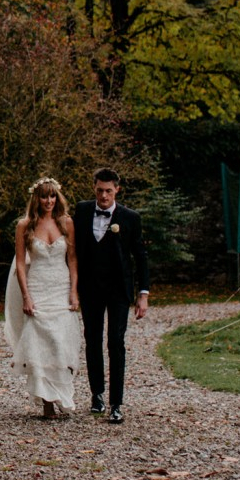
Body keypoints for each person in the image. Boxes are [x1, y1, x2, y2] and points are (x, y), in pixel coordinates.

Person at [72, 167, 150, 425]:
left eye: (108, 191)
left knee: (116, 342)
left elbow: (140, 256)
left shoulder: (130, 217)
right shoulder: (82, 211)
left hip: (119, 289)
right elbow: (72, 249)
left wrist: (143, 294)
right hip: (90, 288)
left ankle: (117, 403)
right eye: (99, 190)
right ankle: (97, 395)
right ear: (93, 189)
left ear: (117, 189)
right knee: (92, 340)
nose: (103, 196)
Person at [4, 176, 81, 419]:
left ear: (57, 197)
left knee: (60, 341)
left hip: (60, 286)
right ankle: (47, 402)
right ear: (36, 198)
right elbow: (20, 263)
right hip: (37, 286)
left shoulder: (66, 222)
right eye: (44, 196)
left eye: (52, 196)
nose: (49, 201)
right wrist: (26, 296)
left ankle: (61, 394)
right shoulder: (24, 225)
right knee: (39, 343)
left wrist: (73, 291)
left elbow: (72, 259)